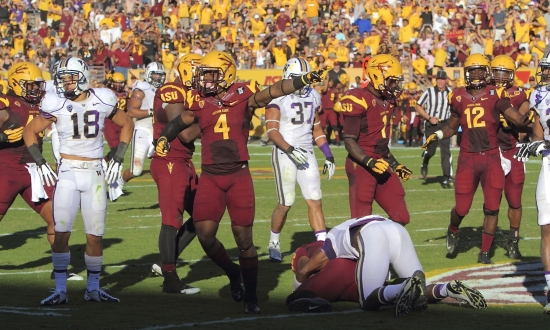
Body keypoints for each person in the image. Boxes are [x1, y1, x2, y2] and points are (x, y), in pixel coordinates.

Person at [155, 51, 327, 314]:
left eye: (211, 74)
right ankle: (233, 273)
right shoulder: (201, 99)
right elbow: (182, 120)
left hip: (238, 177)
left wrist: (301, 81)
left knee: (243, 239)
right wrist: (166, 137)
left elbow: (274, 90)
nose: (205, 80)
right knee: (204, 234)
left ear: (227, 74)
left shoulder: (243, 94)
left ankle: (252, 296)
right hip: (211, 176)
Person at [23, 56, 134, 305]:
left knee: (95, 235)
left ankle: (92, 289)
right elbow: (30, 130)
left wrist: (118, 155)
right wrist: (39, 161)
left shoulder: (103, 98)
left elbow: (127, 123)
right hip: (68, 172)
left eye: (69, 77)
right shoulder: (56, 102)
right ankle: (60, 290)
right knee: (61, 233)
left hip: (95, 172)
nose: (64, 82)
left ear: (82, 76)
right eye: (62, 77)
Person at [422, 54, 535, 264]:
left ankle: (487, 251)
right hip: (469, 157)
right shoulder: (457, 96)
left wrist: (531, 119)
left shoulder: (500, 94)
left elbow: (520, 120)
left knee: (496, 206)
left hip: (496, 155)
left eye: (480, 70)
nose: (476, 75)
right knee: (462, 207)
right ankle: (453, 229)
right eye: (472, 70)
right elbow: (451, 125)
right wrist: (436, 135)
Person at [289, 215, 487, 316]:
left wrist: (299, 291)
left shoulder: (330, 243)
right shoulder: (342, 229)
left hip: (372, 235)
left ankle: (402, 287)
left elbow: (305, 270)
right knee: (417, 289)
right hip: (397, 230)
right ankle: (447, 288)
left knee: (368, 300)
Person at [264, 58, 336, 262]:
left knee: (315, 198)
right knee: (286, 202)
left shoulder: (313, 96)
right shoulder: (277, 97)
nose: (302, 84)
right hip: (284, 151)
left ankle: (322, 245)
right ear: (288, 78)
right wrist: (290, 148)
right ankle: (274, 242)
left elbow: (317, 129)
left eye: (304, 79)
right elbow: (272, 131)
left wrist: (328, 154)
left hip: (306, 152)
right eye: (298, 79)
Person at [150, 54, 202, 294]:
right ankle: (170, 278)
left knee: (203, 216)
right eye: (203, 72)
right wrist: (214, 118)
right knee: (172, 219)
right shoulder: (172, 90)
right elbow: (184, 134)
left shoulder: (194, 93)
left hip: (185, 162)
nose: (207, 77)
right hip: (169, 160)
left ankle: (164, 264)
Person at [341, 54, 412, 224]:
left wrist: (395, 165)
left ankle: (381, 242)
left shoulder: (388, 102)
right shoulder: (359, 98)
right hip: (361, 163)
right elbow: (349, 141)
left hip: (380, 161)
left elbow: (380, 143)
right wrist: (369, 162)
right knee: (361, 222)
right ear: (375, 76)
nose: (395, 85)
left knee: (401, 217)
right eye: (391, 81)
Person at [0, 63, 54, 246]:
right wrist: (2, 137)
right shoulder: (7, 102)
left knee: (58, 219)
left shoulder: (43, 105)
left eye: (38, 85)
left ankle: (61, 270)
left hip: (35, 171)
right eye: (31, 85)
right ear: (16, 83)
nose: (36, 90)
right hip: (8, 170)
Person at [513, 51, 550, 313]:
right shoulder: (540, 95)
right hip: (549, 165)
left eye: (548, 68)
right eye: (544, 68)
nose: (544, 73)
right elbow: (537, 131)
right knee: (547, 227)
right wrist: (531, 145)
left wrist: (543, 144)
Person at [491, 55, 530, 259]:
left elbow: (524, 117)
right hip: (491, 152)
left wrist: (513, 121)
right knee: (492, 202)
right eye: (496, 71)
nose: (499, 76)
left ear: (511, 75)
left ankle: (513, 241)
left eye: (503, 72)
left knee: (514, 201)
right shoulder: (484, 92)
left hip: (513, 151)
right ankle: (487, 242)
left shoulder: (518, 93)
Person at [120, 62, 165, 189]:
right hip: (143, 130)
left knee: (165, 168)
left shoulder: (164, 89)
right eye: (155, 75)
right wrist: (152, 111)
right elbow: (131, 111)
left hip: (159, 131)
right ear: (148, 74)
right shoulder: (142, 88)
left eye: (160, 75)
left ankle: (166, 199)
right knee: (137, 170)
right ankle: (120, 182)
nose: (158, 78)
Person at [415, 70, 454, 188]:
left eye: (442, 79)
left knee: (445, 151)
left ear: (446, 80)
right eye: (438, 79)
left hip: (445, 125)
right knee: (431, 151)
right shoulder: (429, 92)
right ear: (436, 80)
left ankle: (446, 178)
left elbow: (456, 108)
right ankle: (425, 161)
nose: (440, 82)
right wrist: (428, 117)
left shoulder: (450, 93)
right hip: (431, 125)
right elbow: (418, 106)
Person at [103, 72, 128, 162]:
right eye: (116, 82)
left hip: (121, 123)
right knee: (115, 150)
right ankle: (110, 168)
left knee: (119, 149)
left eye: (120, 82)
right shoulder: (108, 92)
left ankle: (103, 161)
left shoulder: (126, 94)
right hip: (110, 122)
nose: (118, 84)